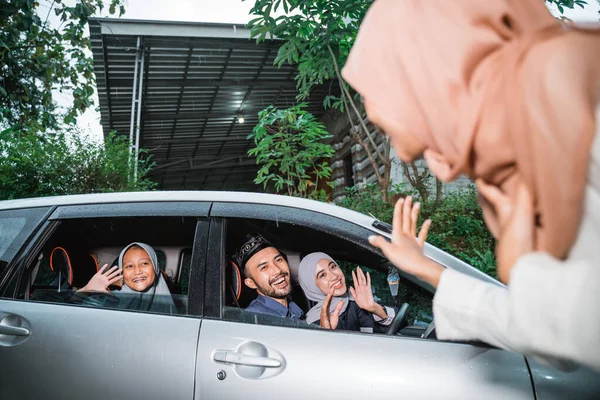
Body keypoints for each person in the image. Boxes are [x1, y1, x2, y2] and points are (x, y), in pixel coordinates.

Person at [341, 0, 600, 370]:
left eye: (393, 127)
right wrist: (425, 269)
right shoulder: (525, 150)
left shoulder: (581, 102)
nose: (440, 170)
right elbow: (550, 333)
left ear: (441, 74)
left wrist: (522, 265)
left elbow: (580, 329)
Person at [298, 252, 395, 332]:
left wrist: (375, 308)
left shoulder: (352, 302)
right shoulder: (311, 324)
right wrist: (325, 335)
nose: (334, 276)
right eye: (322, 275)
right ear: (312, 286)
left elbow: (378, 334)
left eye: (332, 267)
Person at [76, 242, 176, 314]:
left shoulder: (171, 307)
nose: (137, 271)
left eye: (144, 263)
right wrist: (86, 290)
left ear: (155, 268)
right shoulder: (106, 301)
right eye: (129, 266)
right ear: (122, 272)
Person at [235, 233, 303, 320]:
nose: (277, 270)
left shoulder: (294, 310)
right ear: (251, 283)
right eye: (264, 267)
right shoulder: (255, 319)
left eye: (278, 260)